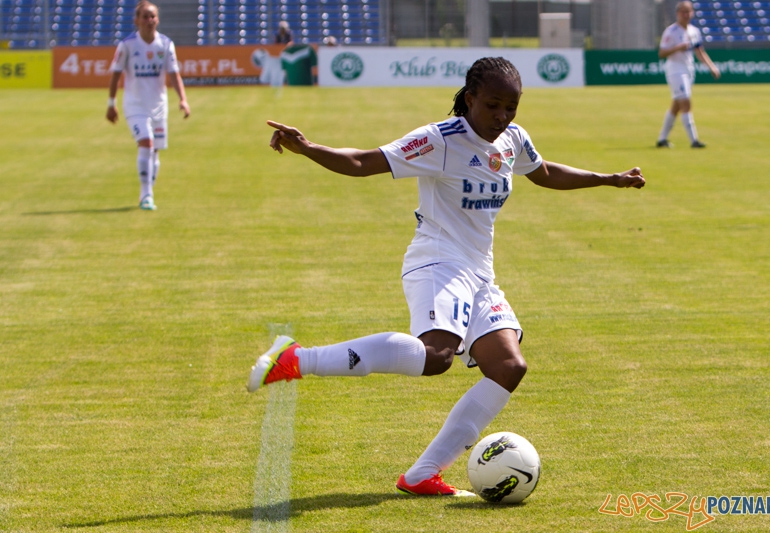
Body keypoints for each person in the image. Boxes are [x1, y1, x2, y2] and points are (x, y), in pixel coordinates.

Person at [248, 57, 645, 496]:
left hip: (479, 272)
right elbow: (363, 161)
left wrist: (610, 179)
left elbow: (545, 172)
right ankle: (296, 359)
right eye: (493, 105)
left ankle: (422, 475)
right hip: (437, 261)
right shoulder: (439, 140)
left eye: (511, 107)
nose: (502, 116)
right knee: (437, 356)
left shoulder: (513, 139)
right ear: (470, 99)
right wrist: (309, 148)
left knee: (508, 366)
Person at [106, 0, 190, 211]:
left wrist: (183, 99)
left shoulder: (166, 44)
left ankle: (148, 192)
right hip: (135, 105)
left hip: (158, 106)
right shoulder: (127, 45)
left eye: (152, 16)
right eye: (145, 16)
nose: (149, 20)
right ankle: (146, 194)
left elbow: (174, 74)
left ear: (157, 20)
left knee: (155, 151)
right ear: (136, 20)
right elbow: (115, 74)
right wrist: (111, 103)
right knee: (146, 142)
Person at [656, 0, 720, 149]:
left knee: (676, 106)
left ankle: (662, 139)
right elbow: (662, 53)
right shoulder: (671, 31)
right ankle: (694, 140)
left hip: (688, 69)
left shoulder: (694, 31)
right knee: (686, 102)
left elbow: (700, 52)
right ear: (678, 13)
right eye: (683, 12)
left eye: (688, 11)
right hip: (675, 70)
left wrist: (712, 67)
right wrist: (678, 47)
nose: (686, 15)